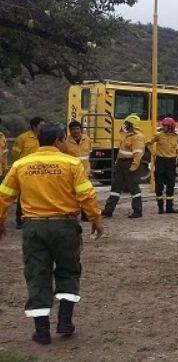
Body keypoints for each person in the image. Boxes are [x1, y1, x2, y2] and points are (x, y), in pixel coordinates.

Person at [0, 123, 104, 345]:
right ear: (58, 141)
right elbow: (86, 195)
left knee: (37, 274)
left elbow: (4, 195)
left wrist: (0, 221)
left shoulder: (20, 165)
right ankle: (65, 321)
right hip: (65, 226)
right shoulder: (72, 164)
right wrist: (96, 219)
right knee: (68, 271)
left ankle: (42, 331)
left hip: (33, 227)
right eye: (64, 140)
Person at [101, 114, 145, 219]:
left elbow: (138, 154)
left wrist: (134, 166)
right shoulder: (126, 135)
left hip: (130, 164)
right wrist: (117, 162)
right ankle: (108, 211)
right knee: (115, 187)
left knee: (133, 188)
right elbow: (121, 151)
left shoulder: (138, 137)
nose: (125, 125)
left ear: (132, 125)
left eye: (127, 123)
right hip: (121, 164)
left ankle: (137, 211)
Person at [11, 117, 46, 228]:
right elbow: (15, 154)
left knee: (40, 195)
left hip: (41, 172)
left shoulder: (45, 138)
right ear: (34, 126)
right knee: (23, 195)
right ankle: (20, 220)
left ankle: (37, 218)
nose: (43, 127)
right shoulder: (23, 138)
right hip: (26, 172)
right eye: (41, 125)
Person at [148, 117, 178, 214]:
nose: (163, 127)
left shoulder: (177, 137)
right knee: (159, 185)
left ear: (170, 127)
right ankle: (160, 207)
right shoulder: (159, 135)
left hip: (171, 162)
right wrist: (153, 153)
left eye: (165, 126)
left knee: (171, 185)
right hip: (160, 161)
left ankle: (169, 207)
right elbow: (148, 143)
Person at [64, 121, 93, 221]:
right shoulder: (65, 142)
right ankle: (71, 214)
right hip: (71, 173)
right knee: (71, 195)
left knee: (85, 194)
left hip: (85, 172)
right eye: (73, 129)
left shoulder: (87, 139)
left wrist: (89, 169)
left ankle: (86, 215)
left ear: (80, 129)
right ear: (70, 130)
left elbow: (89, 155)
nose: (76, 131)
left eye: (77, 128)